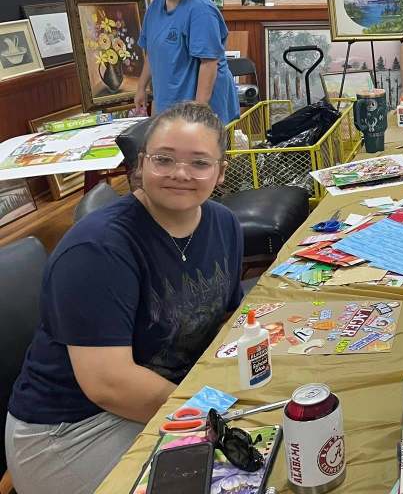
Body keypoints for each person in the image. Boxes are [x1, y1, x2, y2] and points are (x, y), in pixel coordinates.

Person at [4, 102, 244, 494]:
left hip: (163, 395)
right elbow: (109, 384)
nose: (180, 173)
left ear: (220, 172)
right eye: (163, 159)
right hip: (72, 431)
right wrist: (211, 414)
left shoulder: (223, 223)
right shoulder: (98, 249)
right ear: (140, 165)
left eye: (200, 163)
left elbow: (226, 317)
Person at [134, 0, 240, 124]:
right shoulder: (154, 7)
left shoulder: (201, 10)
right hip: (170, 101)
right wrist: (141, 88)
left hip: (201, 106)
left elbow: (209, 63)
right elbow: (152, 53)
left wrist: (199, 111)